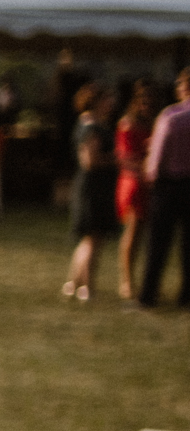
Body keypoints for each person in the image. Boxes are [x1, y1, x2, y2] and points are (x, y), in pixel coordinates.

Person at [137, 68, 190, 310]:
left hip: (168, 185)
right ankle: (186, 294)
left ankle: (148, 294)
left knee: (158, 243)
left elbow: (157, 158)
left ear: (183, 87)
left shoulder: (171, 116)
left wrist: (152, 177)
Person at [64, 126, 120, 302]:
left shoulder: (86, 124)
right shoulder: (93, 128)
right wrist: (116, 159)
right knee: (93, 239)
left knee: (88, 240)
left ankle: (73, 284)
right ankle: (87, 287)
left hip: (93, 188)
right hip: (93, 190)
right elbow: (89, 161)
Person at [116, 81, 157, 300]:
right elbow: (124, 157)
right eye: (142, 102)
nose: (146, 106)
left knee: (143, 235)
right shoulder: (127, 124)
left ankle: (140, 280)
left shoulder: (153, 123)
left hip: (148, 183)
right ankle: (127, 281)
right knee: (132, 233)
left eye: (149, 103)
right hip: (133, 182)